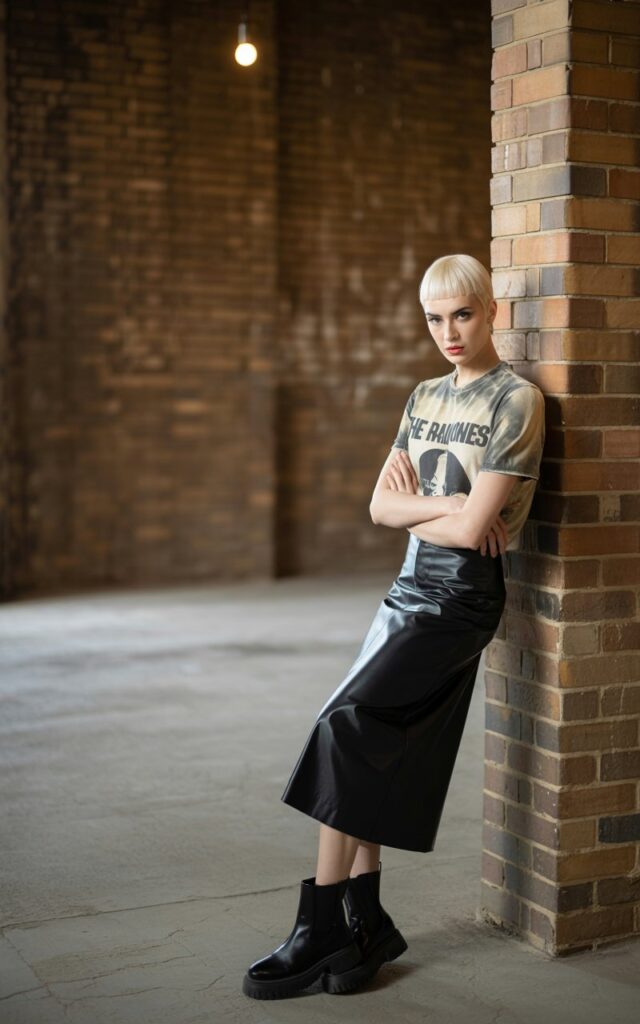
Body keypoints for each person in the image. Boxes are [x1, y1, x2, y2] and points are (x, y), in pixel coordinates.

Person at [242, 253, 546, 1000]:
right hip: (409, 585)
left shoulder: (517, 400)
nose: (449, 332)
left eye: (463, 314)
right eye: (435, 318)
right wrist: (451, 507)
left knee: (344, 725)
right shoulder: (423, 395)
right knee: (370, 738)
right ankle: (366, 920)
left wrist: (435, 512)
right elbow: (382, 508)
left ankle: (319, 926)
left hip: (461, 598)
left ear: (492, 312)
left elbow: (474, 531)